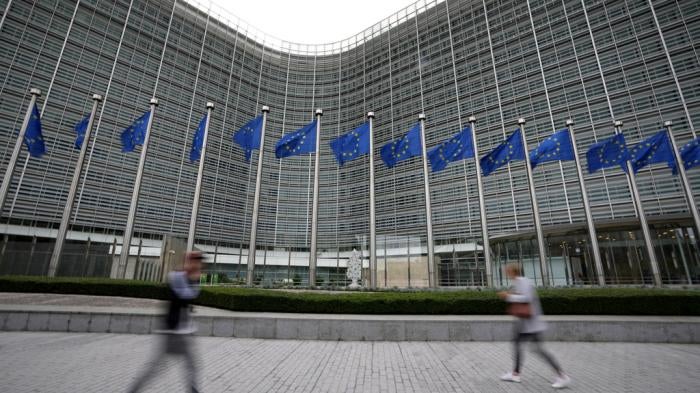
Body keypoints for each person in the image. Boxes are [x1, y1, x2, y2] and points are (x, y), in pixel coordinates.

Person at [129, 251, 203, 393]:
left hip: (181, 332)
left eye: (198, 262)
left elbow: (190, 297)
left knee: (190, 366)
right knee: (159, 368)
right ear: (187, 261)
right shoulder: (177, 277)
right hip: (173, 333)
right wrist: (192, 278)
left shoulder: (190, 278)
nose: (197, 264)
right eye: (195, 261)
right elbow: (186, 296)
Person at [498, 262, 571, 389]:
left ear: (513, 271)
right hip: (524, 323)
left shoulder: (524, 282)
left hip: (531, 324)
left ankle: (562, 376)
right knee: (517, 344)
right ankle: (515, 373)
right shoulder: (517, 282)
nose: (506, 272)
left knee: (538, 350)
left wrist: (508, 296)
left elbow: (527, 298)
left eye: (507, 270)